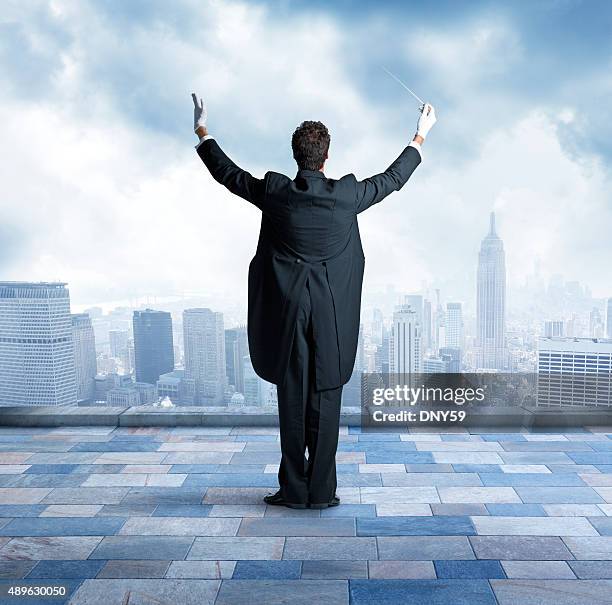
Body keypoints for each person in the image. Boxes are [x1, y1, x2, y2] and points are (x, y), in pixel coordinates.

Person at [192, 93, 436, 508]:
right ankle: (321, 491)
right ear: (327, 157)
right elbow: (393, 179)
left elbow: (228, 175)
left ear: (296, 156)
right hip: (331, 318)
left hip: (286, 315)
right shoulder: (347, 196)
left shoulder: (275, 192)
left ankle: (292, 489)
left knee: (291, 401)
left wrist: (202, 130)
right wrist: (420, 136)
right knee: (325, 399)